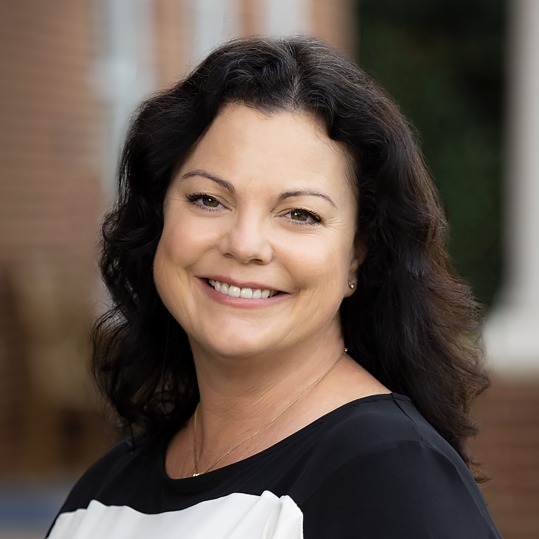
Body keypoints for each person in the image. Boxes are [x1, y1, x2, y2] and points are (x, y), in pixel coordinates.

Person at [46, 36, 502, 538]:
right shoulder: (99, 497)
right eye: (207, 200)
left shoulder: (392, 477)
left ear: (358, 252)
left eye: (300, 214)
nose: (245, 244)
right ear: (157, 219)